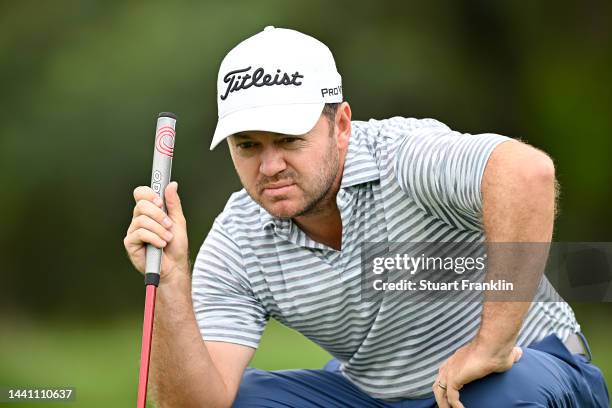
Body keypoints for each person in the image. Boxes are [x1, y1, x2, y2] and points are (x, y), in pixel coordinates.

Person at [123, 26, 609, 407]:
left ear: (341, 125)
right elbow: (196, 403)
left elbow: (528, 173)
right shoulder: (238, 240)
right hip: (378, 395)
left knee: (498, 395)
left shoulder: (403, 156)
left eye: (289, 140)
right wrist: (170, 286)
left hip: (531, 368)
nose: (269, 167)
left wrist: (492, 345)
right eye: (248, 146)